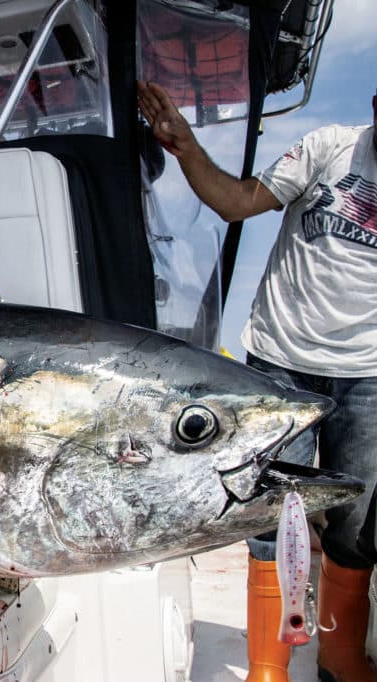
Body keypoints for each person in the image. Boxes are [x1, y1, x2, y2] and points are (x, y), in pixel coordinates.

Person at [138, 80, 377, 682]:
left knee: (356, 524)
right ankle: (268, 662)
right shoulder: (330, 148)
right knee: (267, 514)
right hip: (281, 362)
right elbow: (237, 202)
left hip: (370, 373)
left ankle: (340, 654)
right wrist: (186, 147)